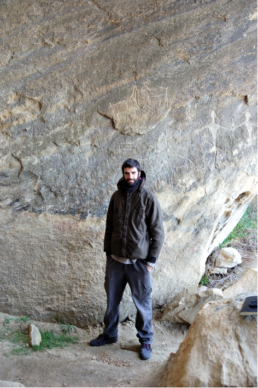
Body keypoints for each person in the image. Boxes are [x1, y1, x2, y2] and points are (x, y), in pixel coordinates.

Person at [90, 158, 164, 360]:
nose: (130, 177)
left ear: (139, 174)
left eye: (133, 173)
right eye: (126, 173)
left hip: (139, 263)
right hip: (115, 261)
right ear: (123, 174)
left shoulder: (148, 198)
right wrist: (108, 253)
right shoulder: (116, 197)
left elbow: (157, 232)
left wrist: (151, 261)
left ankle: (146, 340)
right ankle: (109, 335)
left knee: (143, 304)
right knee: (112, 302)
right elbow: (109, 226)